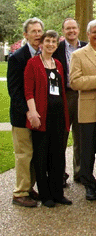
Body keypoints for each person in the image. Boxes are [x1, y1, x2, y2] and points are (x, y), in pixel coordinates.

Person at [24, 30, 72, 207]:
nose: (51, 44)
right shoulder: (33, 63)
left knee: (58, 156)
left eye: (54, 41)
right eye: (48, 41)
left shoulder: (58, 64)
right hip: (41, 117)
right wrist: (33, 113)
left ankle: (57, 193)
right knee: (41, 157)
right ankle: (46, 195)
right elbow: (28, 91)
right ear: (41, 44)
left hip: (59, 116)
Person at [70, 19, 96, 201]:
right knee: (87, 150)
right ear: (87, 34)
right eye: (94, 32)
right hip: (89, 108)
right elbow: (74, 82)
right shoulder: (79, 55)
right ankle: (88, 183)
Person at [7, 17, 43, 207]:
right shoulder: (17, 58)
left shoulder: (43, 55)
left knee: (35, 153)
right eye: (34, 31)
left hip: (40, 114)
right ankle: (19, 192)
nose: (37, 35)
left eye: (39, 31)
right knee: (23, 154)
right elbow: (14, 91)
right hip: (22, 116)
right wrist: (29, 112)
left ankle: (29, 187)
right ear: (25, 34)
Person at [52, 18, 87, 186]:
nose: (71, 31)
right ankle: (59, 174)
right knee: (61, 135)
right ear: (63, 31)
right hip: (64, 95)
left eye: (74, 28)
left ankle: (79, 172)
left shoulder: (87, 47)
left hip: (83, 95)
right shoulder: (56, 49)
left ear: (78, 29)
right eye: (68, 29)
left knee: (81, 137)